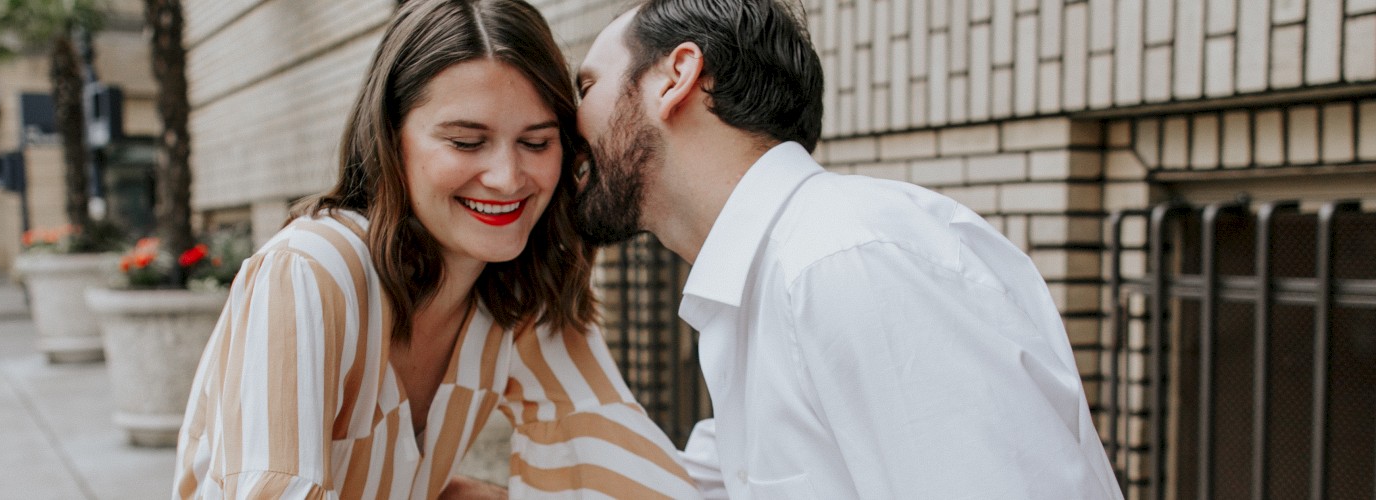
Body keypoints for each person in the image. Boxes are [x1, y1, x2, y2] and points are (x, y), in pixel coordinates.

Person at [570, 1, 1123, 498]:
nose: (567, 126)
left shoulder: (849, 260)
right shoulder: (763, 285)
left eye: (586, 86)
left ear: (676, 77)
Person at [172, 0, 697, 498]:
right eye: (466, 142)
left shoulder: (520, 287)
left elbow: (607, 447)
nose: (507, 177)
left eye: (536, 142)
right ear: (390, 139)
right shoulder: (310, 271)